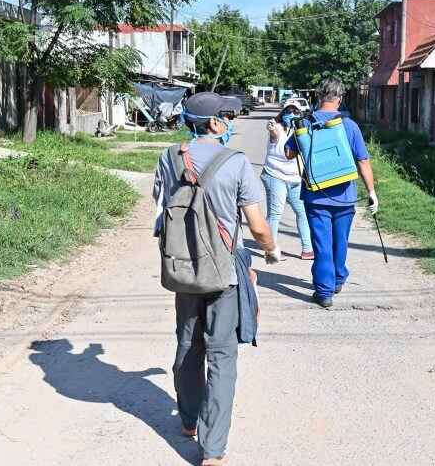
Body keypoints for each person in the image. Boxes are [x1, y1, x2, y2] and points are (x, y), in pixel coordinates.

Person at [153, 92, 281, 466]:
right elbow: (257, 226)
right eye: (227, 115)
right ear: (213, 123)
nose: (230, 121)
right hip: (222, 273)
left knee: (188, 345)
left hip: (182, 269)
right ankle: (212, 451)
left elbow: (161, 212)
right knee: (221, 355)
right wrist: (271, 249)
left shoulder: (168, 157)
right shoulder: (236, 162)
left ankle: (189, 420)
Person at [284, 77, 378, 308]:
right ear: (340, 99)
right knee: (340, 241)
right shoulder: (349, 125)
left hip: (315, 196)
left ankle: (324, 293)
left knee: (322, 244)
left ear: (319, 96)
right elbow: (363, 161)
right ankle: (337, 279)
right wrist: (371, 192)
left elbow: (288, 153)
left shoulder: (304, 123)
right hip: (345, 195)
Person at [261, 104, 314, 261]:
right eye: (288, 111)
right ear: (283, 113)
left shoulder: (301, 129)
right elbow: (274, 134)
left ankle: (307, 249)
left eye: (295, 111)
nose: (291, 114)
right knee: (276, 213)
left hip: (296, 178)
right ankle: (271, 250)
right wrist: (271, 129)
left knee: (302, 212)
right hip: (275, 175)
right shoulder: (277, 127)